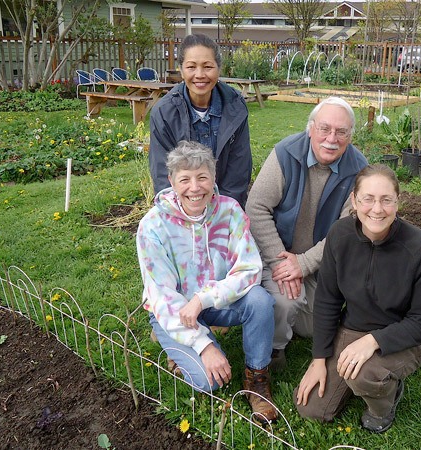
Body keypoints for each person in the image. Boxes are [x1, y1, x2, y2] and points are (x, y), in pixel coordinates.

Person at [294, 164, 421, 433]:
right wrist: (319, 359)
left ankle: (383, 404)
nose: (377, 209)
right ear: (354, 201)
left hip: (409, 336)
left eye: (386, 200)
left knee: (364, 376)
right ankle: (364, 374)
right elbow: (327, 299)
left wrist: (374, 342)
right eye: (368, 199)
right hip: (355, 328)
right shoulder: (340, 235)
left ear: (398, 201)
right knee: (311, 409)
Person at [137, 140, 276, 422]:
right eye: (185, 179)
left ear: (213, 179)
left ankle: (257, 377)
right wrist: (204, 345)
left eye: (202, 177)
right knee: (209, 382)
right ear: (172, 182)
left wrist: (204, 299)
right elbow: (162, 296)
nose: (195, 187)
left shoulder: (230, 211)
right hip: (175, 311)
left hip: (213, 302)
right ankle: (177, 340)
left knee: (261, 301)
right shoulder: (152, 225)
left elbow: (250, 269)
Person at [245, 97, 368, 370]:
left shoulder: (359, 170)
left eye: (341, 132)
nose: (331, 139)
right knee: (285, 302)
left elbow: (348, 230)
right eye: (324, 129)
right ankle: (274, 351)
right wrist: (282, 263)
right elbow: (256, 208)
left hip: (320, 261)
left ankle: (280, 318)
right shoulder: (285, 154)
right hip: (277, 251)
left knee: (314, 326)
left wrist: (303, 264)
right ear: (310, 128)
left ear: (350, 136)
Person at [149, 34, 251, 207]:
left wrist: (223, 214)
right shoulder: (164, 113)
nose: (200, 75)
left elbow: (239, 171)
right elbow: (162, 174)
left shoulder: (236, 106)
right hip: (183, 205)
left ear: (219, 69)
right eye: (191, 67)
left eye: (208, 66)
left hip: (225, 206)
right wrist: (184, 214)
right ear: (181, 70)